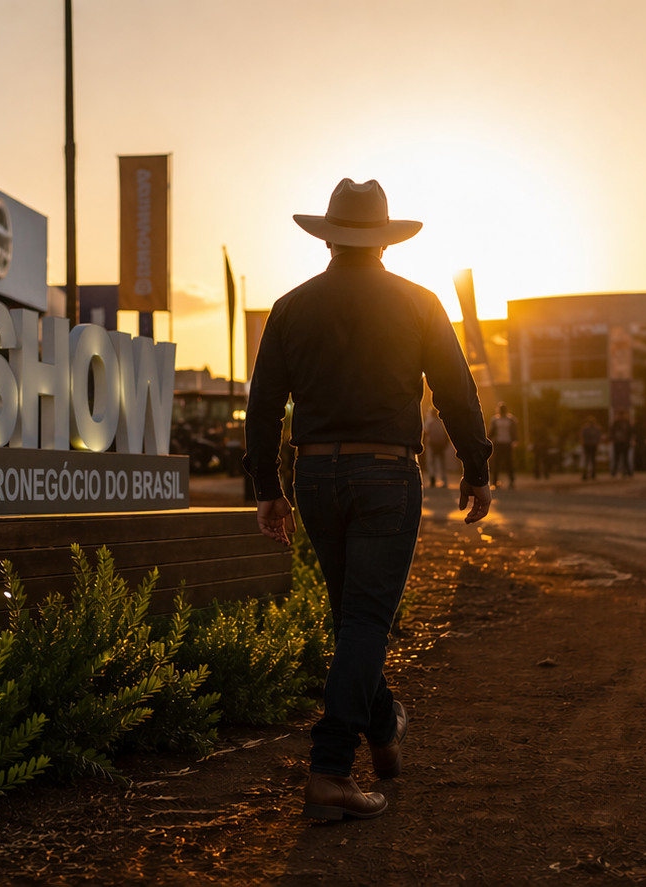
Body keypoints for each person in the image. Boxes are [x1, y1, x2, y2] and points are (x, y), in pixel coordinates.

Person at [246, 178, 492, 822]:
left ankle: (383, 728)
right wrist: (477, 468)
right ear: (385, 241)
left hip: (314, 475)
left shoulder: (290, 307)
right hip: (385, 473)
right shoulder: (419, 303)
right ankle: (330, 771)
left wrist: (269, 489)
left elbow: (263, 407)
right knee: (364, 621)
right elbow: (456, 391)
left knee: (354, 618)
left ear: (327, 238)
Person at [488, 403, 518, 489]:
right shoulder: (495, 419)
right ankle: (494, 481)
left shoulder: (511, 419)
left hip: (507, 443)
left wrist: (515, 440)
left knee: (509, 462)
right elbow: (492, 431)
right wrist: (488, 439)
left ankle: (512, 480)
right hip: (498, 443)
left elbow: (514, 431)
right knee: (496, 462)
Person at [423, 412, 451, 487]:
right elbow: (447, 435)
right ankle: (444, 479)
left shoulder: (430, 423)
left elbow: (426, 433)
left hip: (432, 445)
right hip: (441, 445)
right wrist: (445, 444)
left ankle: (432, 477)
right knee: (442, 463)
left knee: (431, 462)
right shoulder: (442, 423)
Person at [610, 411, 635, 478]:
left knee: (616, 458)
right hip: (625, 443)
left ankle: (614, 472)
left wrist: (613, 440)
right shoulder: (627, 423)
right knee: (625, 458)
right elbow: (630, 433)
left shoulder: (616, 423)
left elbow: (612, 432)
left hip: (617, 443)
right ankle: (628, 473)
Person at [580, 416, 601, 481]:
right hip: (594, 445)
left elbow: (582, 437)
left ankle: (585, 475)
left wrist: (584, 443)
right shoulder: (597, 428)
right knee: (593, 460)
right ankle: (593, 474)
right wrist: (596, 443)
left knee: (586, 460)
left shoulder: (585, 428)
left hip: (587, 445)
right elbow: (599, 438)